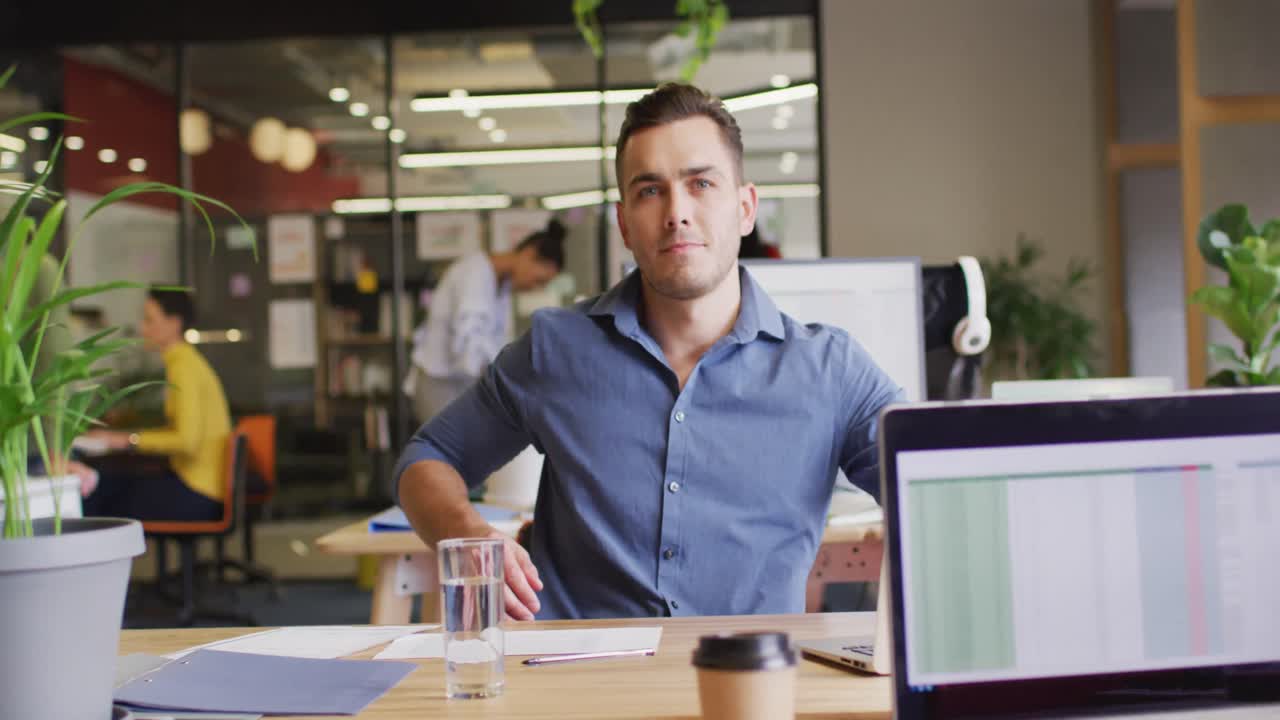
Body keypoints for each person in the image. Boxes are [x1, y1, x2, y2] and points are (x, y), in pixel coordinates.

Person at [394, 83, 902, 621]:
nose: (676, 212)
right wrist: (468, 533)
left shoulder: (829, 371)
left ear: (745, 208)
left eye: (701, 183)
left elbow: (934, 483)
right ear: (624, 225)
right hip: (579, 688)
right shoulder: (556, 348)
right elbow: (426, 460)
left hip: (749, 686)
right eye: (649, 191)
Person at [83, 289, 231, 521]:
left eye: (150, 320)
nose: (143, 329)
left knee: (94, 491)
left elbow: (187, 440)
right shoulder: (186, 362)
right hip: (198, 484)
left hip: (197, 491)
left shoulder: (184, 368)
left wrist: (126, 440)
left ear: (174, 323)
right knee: (111, 483)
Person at [403, 219, 567, 425]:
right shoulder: (474, 274)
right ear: (528, 254)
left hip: (462, 386)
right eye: (539, 281)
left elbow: (497, 345)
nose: (535, 288)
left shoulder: (502, 285)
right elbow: (469, 348)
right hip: (439, 383)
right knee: (446, 453)